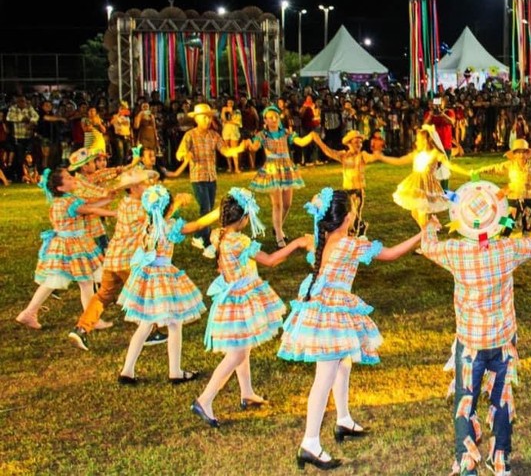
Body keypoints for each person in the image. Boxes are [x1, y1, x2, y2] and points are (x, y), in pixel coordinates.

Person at [419, 181, 531, 476]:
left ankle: (467, 461)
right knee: (502, 398)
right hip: (502, 342)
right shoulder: (507, 249)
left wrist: (430, 225)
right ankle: (501, 460)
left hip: (469, 344)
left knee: (465, 401)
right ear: (498, 221)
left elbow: (428, 246)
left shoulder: (455, 252)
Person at [278, 187, 423, 471]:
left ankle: (343, 420)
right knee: (324, 377)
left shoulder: (324, 240)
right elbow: (391, 254)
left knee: (343, 364)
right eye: (353, 210)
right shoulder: (348, 245)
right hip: (330, 314)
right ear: (345, 217)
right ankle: (309, 442)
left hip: (321, 307)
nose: (355, 213)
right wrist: (423, 232)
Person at [191, 188, 311, 428]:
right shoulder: (239, 240)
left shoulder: (220, 234)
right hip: (239, 298)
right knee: (236, 352)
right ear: (244, 218)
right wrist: (297, 243)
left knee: (242, 347)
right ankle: (204, 399)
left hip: (236, 295)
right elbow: (271, 260)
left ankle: (246, 393)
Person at [116, 184, 218, 385]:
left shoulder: (148, 224)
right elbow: (197, 225)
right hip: (162, 279)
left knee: (145, 324)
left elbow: (163, 212)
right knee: (174, 323)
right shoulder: (170, 226)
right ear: (166, 208)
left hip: (146, 278)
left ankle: (127, 370)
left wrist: (176, 203)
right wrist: (217, 212)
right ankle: (175, 372)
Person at [68, 168, 164, 350]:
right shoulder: (139, 208)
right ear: (134, 188)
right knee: (144, 295)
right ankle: (150, 332)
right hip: (128, 261)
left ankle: (81, 328)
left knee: (103, 295)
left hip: (112, 260)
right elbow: (160, 219)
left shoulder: (125, 203)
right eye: (144, 184)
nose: (148, 186)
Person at [15, 168, 115, 329]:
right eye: (68, 178)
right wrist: (115, 213)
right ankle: (91, 320)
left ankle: (29, 312)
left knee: (56, 281)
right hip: (74, 246)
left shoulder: (63, 200)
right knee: (85, 281)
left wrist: (107, 198)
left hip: (63, 244)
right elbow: (91, 209)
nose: (73, 179)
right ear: (61, 187)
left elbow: (89, 206)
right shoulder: (70, 202)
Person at [243, 106, 326, 247]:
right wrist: (249, 144)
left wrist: (311, 136)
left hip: (286, 168)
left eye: (276, 116)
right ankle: (279, 237)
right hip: (272, 170)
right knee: (277, 204)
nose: (274, 119)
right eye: (270, 117)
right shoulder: (262, 135)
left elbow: (300, 142)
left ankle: (277, 228)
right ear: (265, 120)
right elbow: (255, 147)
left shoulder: (286, 133)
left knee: (287, 204)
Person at [176, 103, 246, 241]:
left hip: (211, 177)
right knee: (206, 207)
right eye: (204, 117)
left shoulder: (213, 135)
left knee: (209, 206)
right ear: (196, 119)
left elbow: (225, 151)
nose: (208, 120)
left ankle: (199, 235)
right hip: (198, 177)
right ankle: (205, 238)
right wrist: (184, 155)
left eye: (209, 117)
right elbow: (179, 153)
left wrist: (238, 149)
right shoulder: (190, 135)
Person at [376, 125, 467, 229]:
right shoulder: (416, 154)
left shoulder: (434, 153)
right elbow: (399, 160)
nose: (416, 142)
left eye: (418, 139)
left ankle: (427, 234)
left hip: (427, 185)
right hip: (416, 183)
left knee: (422, 212)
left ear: (425, 141)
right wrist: (382, 157)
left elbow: (451, 165)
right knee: (415, 212)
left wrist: (467, 172)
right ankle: (428, 232)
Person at [471, 138, 531, 237]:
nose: (521, 155)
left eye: (524, 152)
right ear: (515, 154)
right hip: (513, 196)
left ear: (527, 153)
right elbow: (495, 168)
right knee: (509, 220)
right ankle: (503, 238)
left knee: (528, 220)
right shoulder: (509, 165)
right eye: (518, 153)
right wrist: (479, 170)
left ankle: (526, 241)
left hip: (528, 197)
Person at [318, 130, 383, 237]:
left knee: (355, 215)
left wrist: (377, 150)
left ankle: (356, 232)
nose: (359, 144)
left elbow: (374, 156)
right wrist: (319, 142)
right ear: (349, 143)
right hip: (347, 191)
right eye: (356, 142)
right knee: (349, 216)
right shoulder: (343, 155)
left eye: (360, 142)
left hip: (358, 191)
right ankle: (359, 228)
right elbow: (329, 151)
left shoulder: (362, 155)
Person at [220, 99, 242, 174]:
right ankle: (229, 167)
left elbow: (237, 122)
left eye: (231, 102)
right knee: (227, 149)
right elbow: (223, 120)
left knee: (234, 149)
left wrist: (231, 112)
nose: (229, 104)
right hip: (226, 130)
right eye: (228, 102)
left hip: (234, 131)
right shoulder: (224, 110)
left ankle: (236, 167)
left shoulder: (237, 111)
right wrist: (223, 112)